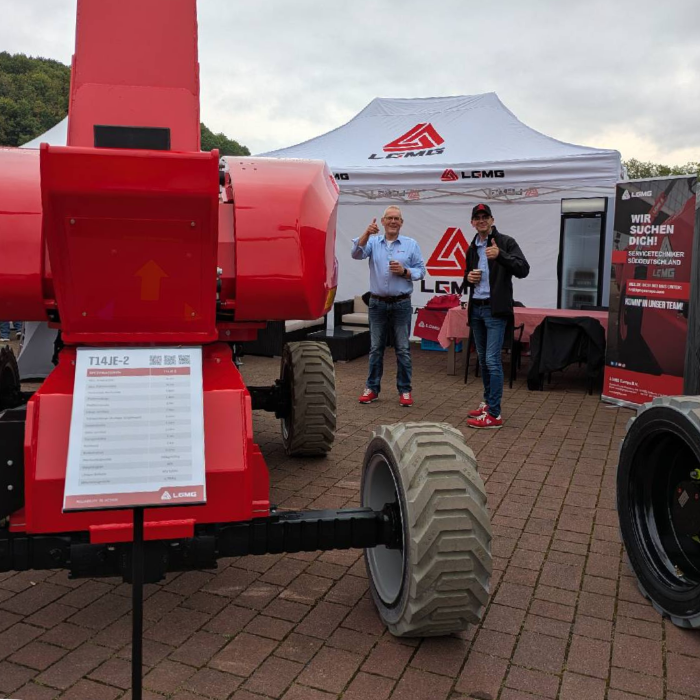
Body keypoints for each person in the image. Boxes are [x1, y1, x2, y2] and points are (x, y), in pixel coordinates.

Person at [352, 206, 426, 406]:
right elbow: (356, 253)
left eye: (397, 219)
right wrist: (366, 233)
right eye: (390, 218)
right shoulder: (373, 242)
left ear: (401, 223)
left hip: (401, 304)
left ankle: (405, 390)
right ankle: (372, 389)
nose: (393, 221)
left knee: (403, 349)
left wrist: (404, 272)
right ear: (383, 221)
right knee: (376, 348)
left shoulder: (411, 244)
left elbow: (421, 271)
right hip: (377, 304)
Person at [463, 203, 529, 429]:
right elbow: (467, 277)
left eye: (485, 216)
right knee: (483, 360)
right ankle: (488, 402)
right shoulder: (472, 247)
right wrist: (468, 278)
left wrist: (500, 256)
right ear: (472, 222)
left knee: (492, 360)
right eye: (477, 217)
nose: (481, 220)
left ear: (492, 220)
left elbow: (523, 269)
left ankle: (494, 414)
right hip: (477, 309)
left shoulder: (505, 242)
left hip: (495, 311)